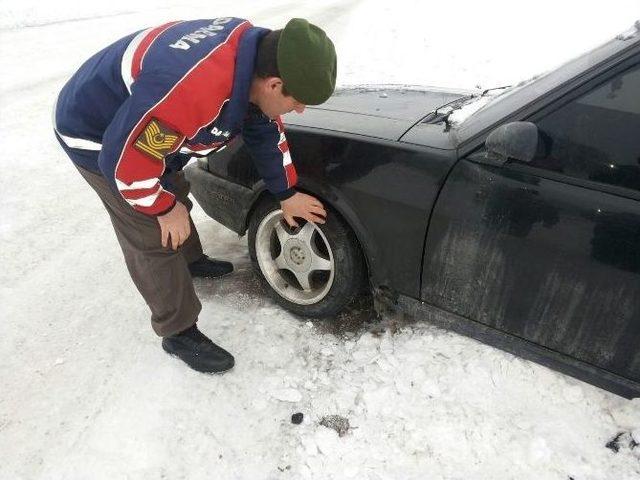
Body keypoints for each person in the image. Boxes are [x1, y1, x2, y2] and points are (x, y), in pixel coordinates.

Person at [53, 17, 336, 374]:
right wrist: (161, 207)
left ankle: (189, 259)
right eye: (297, 101)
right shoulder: (192, 89)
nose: (300, 110)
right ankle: (178, 331)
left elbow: (263, 129)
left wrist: (285, 192)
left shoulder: (254, 65)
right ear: (275, 84)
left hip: (146, 118)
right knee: (152, 228)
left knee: (174, 189)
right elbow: (126, 166)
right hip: (97, 133)